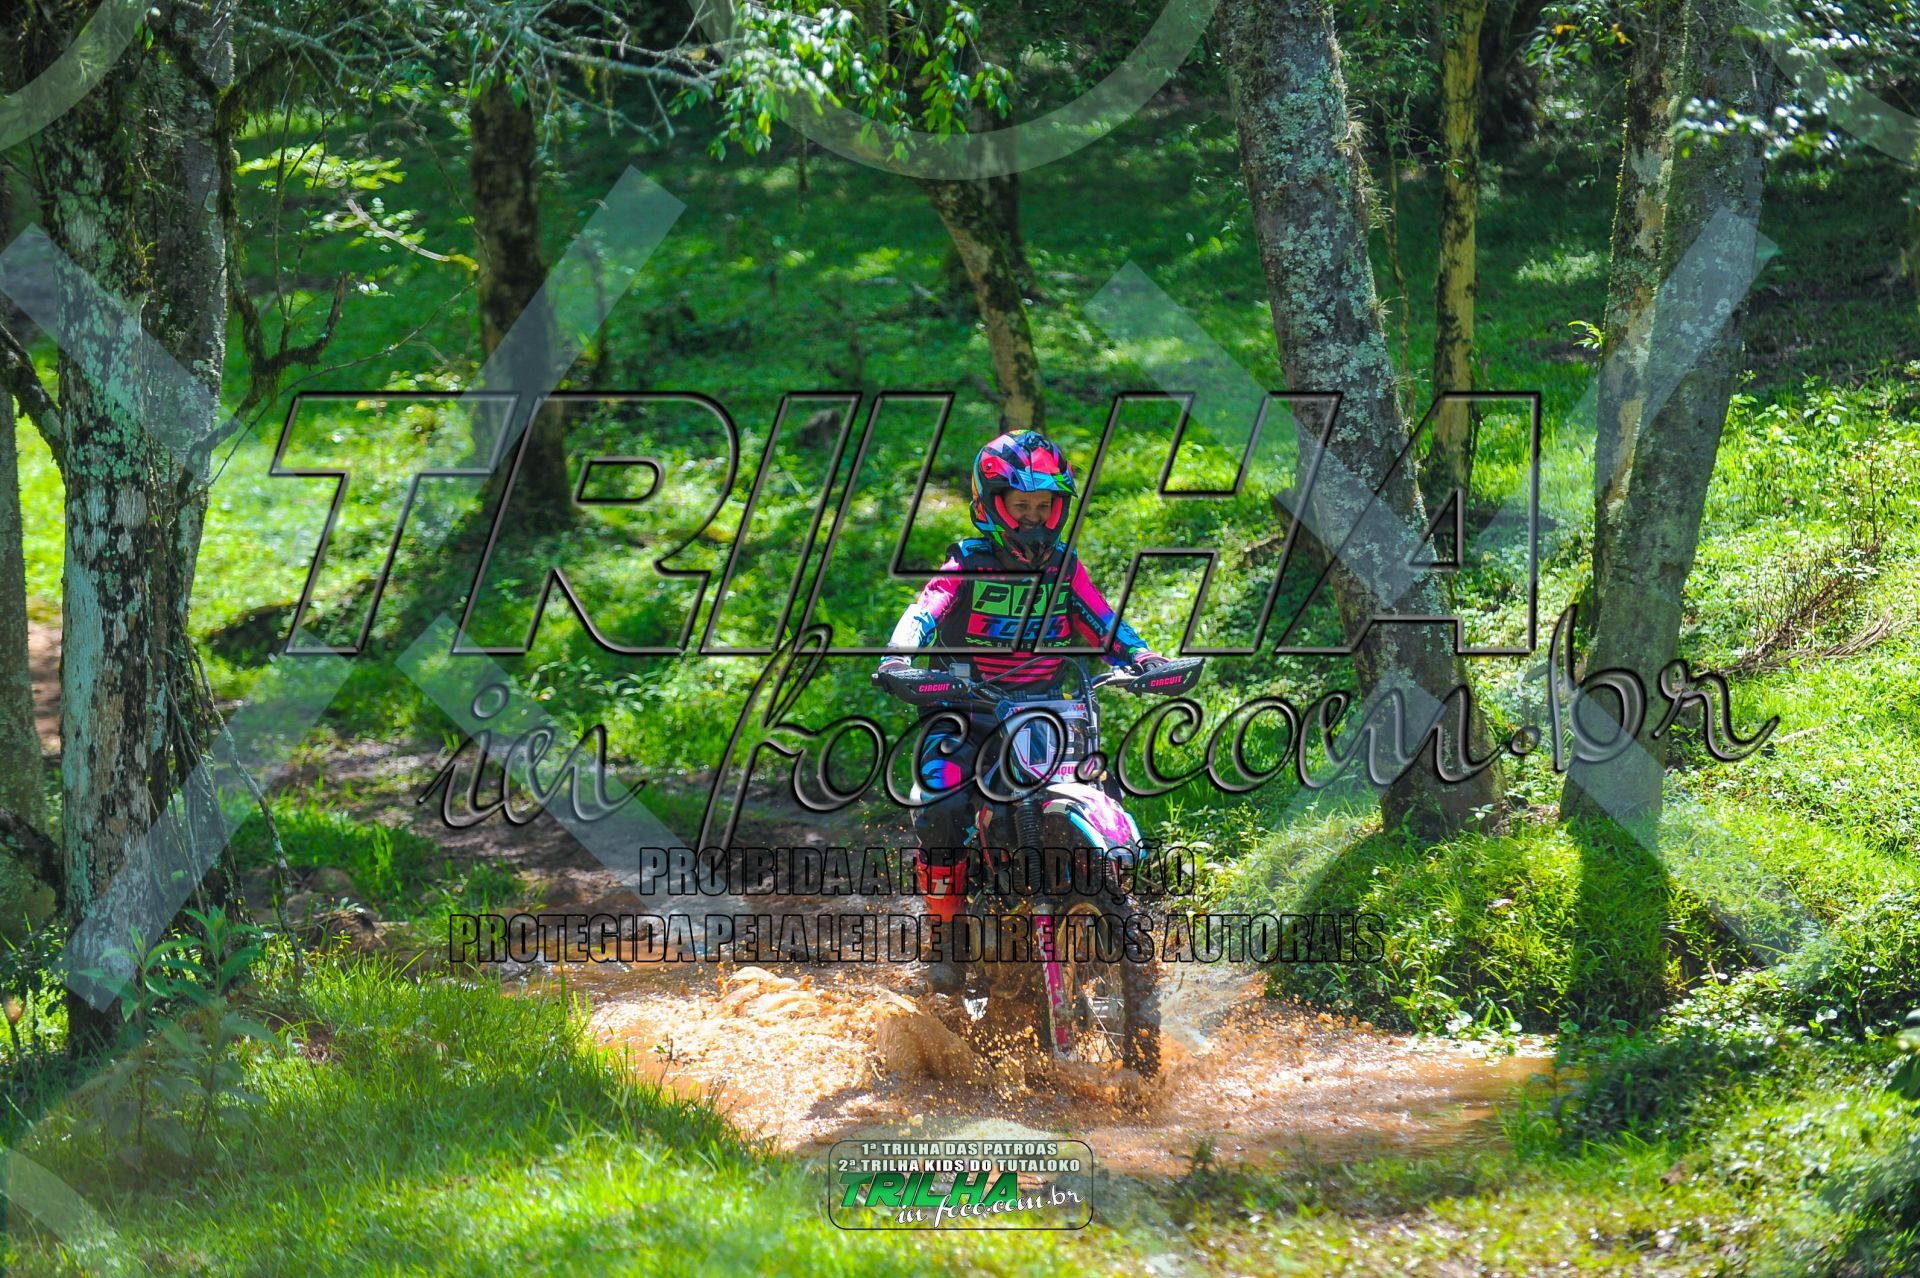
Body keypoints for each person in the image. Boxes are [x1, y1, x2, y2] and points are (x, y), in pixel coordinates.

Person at [877, 430, 1170, 992]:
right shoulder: (967, 563)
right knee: (942, 805)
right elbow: (925, 610)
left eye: (1044, 506)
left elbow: (1103, 620)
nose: (1033, 519)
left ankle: (1097, 898)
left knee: (1101, 788)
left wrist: (1142, 657)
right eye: (1021, 506)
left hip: (1046, 715)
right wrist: (898, 658)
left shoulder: (1063, 566)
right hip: (964, 713)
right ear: (992, 505)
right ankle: (946, 936)